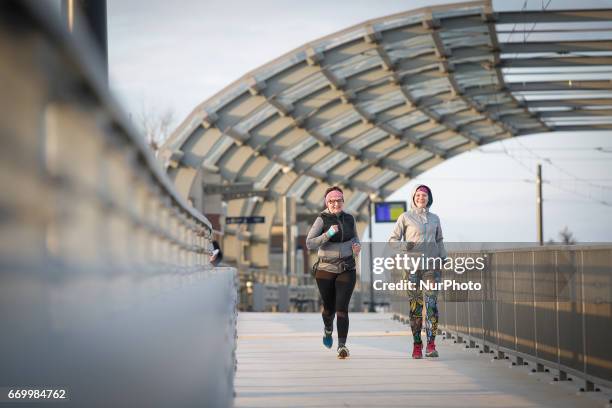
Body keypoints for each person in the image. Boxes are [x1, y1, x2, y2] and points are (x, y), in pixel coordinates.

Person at [388, 184, 446, 359]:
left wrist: (443, 257)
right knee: (416, 307)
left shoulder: (435, 218)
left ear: (429, 198)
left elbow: (440, 239)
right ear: (413, 197)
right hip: (412, 268)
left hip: (431, 267)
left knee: (431, 305)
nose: (421, 198)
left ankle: (431, 345)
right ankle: (417, 345)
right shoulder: (405, 217)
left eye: (425, 195)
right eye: (418, 195)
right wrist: (405, 245)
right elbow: (392, 240)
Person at [306, 186, 361, 359]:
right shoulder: (321, 219)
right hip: (325, 269)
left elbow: (355, 238)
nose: (335, 203)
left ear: (343, 202)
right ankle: (328, 329)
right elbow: (309, 243)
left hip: (347, 268)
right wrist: (327, 234)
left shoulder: (350, 219)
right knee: (329, 308)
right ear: (327, 203)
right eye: (332, 201)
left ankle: (342, 346)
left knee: (342, 308)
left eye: (339, 200)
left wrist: (357, 247)